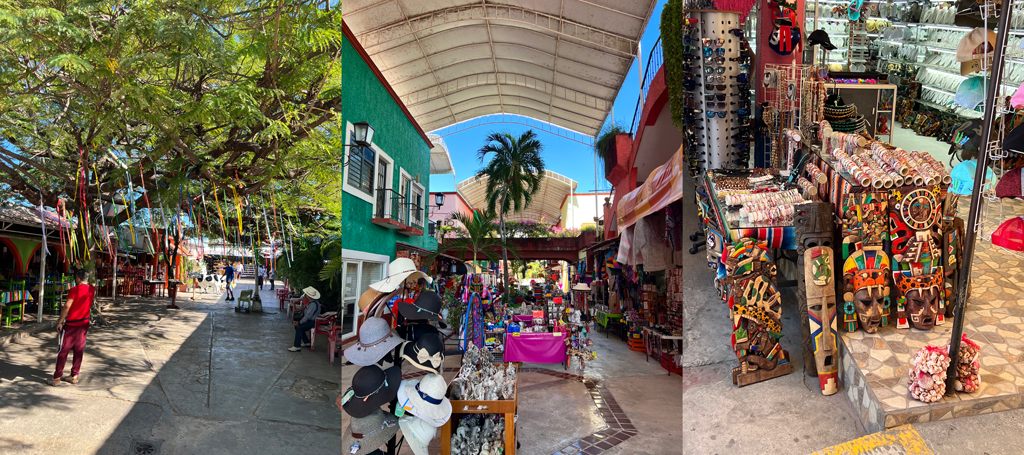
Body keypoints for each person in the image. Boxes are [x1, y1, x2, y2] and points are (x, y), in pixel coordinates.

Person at [48, 269, 94, 386]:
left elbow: (67, 306)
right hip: (84, 323)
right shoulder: (92, 289)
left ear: (78, 278)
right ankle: (74, 375)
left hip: (72, 324)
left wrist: (60, 322)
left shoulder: (75, 289)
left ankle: (57, 376)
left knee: (63, 350)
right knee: (79, 349)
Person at [288, 287, 321, 352]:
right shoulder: (312, 302)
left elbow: (308, 316)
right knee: (298, 326)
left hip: (313, 322)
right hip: (311, 320)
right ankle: (306, 342)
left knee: (299, 328)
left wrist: (300, 322)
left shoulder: (313, 304)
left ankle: (297, 346)